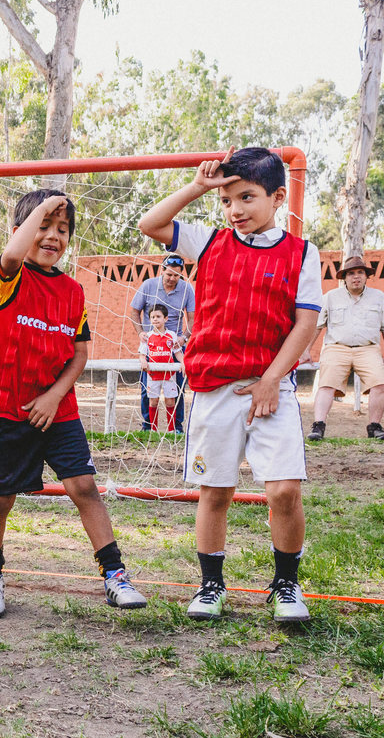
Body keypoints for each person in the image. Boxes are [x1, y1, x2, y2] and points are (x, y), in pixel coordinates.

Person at [138, 147, 320, 622]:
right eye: (227, 201)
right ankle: (211, 585)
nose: (235, 209)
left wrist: (271, 380)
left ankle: (286, 585)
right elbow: (150, 224)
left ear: (278, 197)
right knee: (215, 490)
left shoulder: (302, 253)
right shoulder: (209, 243)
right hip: (213, 389)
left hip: (270, 387)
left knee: (283, 491)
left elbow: (304, 325)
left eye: (246, 197)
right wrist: (198, 187)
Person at [0, 189, 147, 618]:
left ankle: (115, 575)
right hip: (7, 407)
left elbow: (80, 354)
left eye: (62, 229)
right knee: (0, 500)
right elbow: (12, 255)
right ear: (20, 232)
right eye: (44, 226)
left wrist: (53, 395)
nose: (53, 236)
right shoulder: (7, 276)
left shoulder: (72, 292)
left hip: (57, 406)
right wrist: (48, 206)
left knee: (84, 487)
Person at [302, 255, 384, 440]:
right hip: (336, 347)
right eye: (351, 273)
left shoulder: (379, 297)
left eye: (360, 272)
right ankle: (318, 426)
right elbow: (317, 326)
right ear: (344, 277)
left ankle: (375, 427)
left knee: (380, 383)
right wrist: (306, 350)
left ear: (366, 276)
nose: (356, 277)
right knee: (326, 384)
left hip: (367, 348)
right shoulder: (330, 297)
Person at [128, 255, 194, 432]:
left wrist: (184, 337)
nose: (172, 279)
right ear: (162, 271)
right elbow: (134, 311)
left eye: (177, 276)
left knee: (177, 389)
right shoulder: (149, 285)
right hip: (152, 347)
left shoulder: (187, 289)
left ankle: (176, 427)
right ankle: (148, 426)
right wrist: (141, 332)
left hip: (174, 347)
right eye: (169, 274)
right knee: (148, 390)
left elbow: (194, 318)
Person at [138, 304, 184, 433]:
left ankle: (171, 430)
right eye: (152, 317)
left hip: (169, 375)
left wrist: (183, 362)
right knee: (153, 401)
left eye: (158, 316)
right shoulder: (147, 336)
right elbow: (142, 354)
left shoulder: (171, 335)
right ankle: (153, 429)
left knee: (170, 401)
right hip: (153, 374)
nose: (155, 319)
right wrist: (143, 361)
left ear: (166, 318)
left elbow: (178, 352)